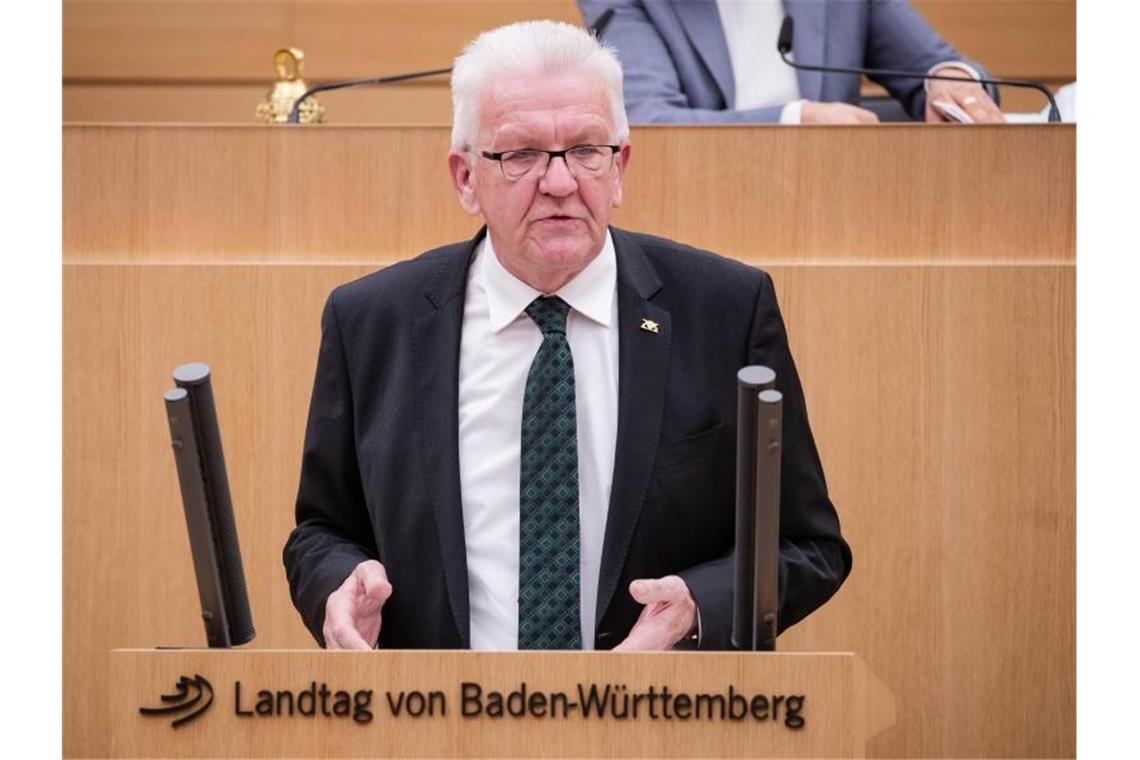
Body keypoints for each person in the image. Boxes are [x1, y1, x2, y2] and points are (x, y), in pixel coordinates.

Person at [282, 19, 850, 651]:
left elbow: (807, 545)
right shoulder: (372, 321)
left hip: (663, 727)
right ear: (465, 178)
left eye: (585, 149)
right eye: (521, 154)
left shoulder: (726, 309)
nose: (558, 182)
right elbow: (322, 532)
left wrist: (698, 608)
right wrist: (340, 589)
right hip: (438, 722)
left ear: (620, 166)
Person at [578, 0, 1004, 124]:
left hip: (838, 205)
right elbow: (651, 119)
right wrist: (797, 120)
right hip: (699, 212)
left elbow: (935, 65)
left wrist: (953, 82)